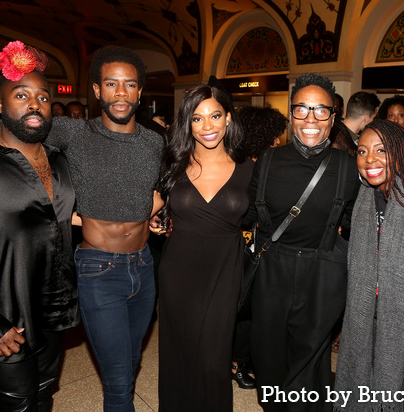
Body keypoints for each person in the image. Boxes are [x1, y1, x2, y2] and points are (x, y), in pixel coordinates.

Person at [0, 45, 164, 412]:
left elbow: (155, 186)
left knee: (129, 363)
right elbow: (1, 122)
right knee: (117, 379)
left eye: (130, 85)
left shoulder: (154, 142)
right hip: (98, 268)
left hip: (143, 266)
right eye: (111, 84)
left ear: (141, 93)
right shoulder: (74, 133)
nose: (121, 93)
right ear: (97, 91)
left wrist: (156, 209)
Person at [0, 41, 79, 411]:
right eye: (22, 95)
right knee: (17, 404)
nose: (34, 103)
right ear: (0, 106)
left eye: (42, 96)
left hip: (53, 312)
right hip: (3, 318)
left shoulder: (61, 162)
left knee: (42, 394)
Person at [245, 73, 360, 412]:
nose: (311, 119)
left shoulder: (348, 167)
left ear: (333, 117)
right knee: (267, 358)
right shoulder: (267, 161)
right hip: (271, 271)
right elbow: (248, 211)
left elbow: (357, 224)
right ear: (291, 113)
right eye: (302, 109)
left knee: (310, 364)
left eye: (321, 110)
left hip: (322, 274)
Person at [150, 83, 253, 412]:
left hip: (224, 273)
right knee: (180, 354)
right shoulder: (172, 165)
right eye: (197, 118)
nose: (207, 126)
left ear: (228, 119)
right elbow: (146, 207)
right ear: (187, 124)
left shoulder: (250, 169)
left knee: (213, 359)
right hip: (178, 275)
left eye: (215, 116)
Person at [334, 119, 404, 412]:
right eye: (363, 151)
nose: (370, 159)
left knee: (389, 391)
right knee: (376, 389)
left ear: (400, 152)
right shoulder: (366, 197)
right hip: (373, 316)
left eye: (381, 150)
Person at [230, 105, 288, 390]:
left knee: (250, 308)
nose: (278, 142)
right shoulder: (245, 168)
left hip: (256, 247)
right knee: (244, 309)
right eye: (273, 136)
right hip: (239, 249)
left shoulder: (261, 164)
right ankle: (237, 364)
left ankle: (242, 359)